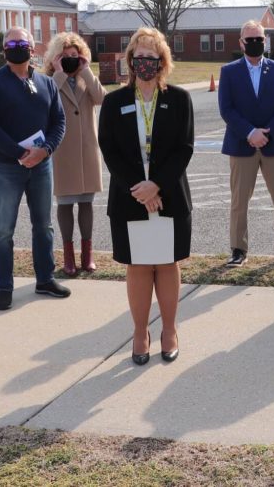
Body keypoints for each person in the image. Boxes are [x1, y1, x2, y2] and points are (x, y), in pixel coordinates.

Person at [98, 28, 194, 364]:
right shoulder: (114, 102)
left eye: (151, 58)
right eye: (138, 57)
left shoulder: (179, 99)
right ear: (130, 61)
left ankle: (169, 329)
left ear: (162, 62)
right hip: (130, 199)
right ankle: (140, 332)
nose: (144, 64)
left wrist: (158, 186)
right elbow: (109, 151)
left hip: (169, 198)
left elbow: (184, 148)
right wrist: (140, 189)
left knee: (167, 264)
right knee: (138, 266)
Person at [0, 26, 71, 311]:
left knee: (44, 225)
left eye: (22, 42)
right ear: (4, 49)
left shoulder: (47, 83)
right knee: (3, 230)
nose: (17, 46)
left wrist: (45, 150)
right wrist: (20, 153)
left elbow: (59, 122)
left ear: (33, 49)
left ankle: (45, 279)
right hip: (7, 167)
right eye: (11, 42)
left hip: (42, 166)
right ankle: (4, 287)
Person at [218, 20, 274, 268]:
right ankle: (238, 249)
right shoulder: (229, 71)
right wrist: (250, 132)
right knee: (239, 200)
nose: (255, 43)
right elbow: (226, 109)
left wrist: (267, 132)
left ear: (266, 41)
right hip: (241, 145)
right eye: (249, 39)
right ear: (241, 42)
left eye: (259, 39)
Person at [43, 32, 107, 277]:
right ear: (54, 58)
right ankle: (68, 256)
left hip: (87, 150)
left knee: (86, 203)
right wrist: (59, 71)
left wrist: (86, 71)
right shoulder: (49, 80)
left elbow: (102, 98)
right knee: (66, 204)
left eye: (74, 55)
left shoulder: (86, 79)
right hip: (62, 153)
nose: (70, 60)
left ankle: (87, 255)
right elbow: (46, 100)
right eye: (65, 56)